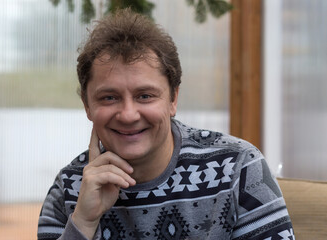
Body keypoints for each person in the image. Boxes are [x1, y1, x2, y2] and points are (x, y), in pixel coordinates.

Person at [38, 9, 294, 240]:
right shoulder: (69, 189)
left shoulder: (238, 168)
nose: (128, 114)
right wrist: (83, 222)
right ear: (87, 106)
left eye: (145, 96)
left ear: (173, 99)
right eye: (109, 97)